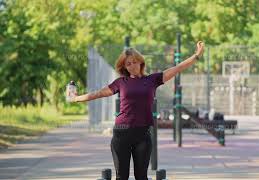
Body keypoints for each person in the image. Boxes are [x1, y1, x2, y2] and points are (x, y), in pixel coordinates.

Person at [70, 41, 205, 180]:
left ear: (140, 62)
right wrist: (76, 98)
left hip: (143, 135)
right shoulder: (121, 82)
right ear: (125, 67)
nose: (132, 66)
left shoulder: (153, 80)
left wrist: (196, 56)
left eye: (134, 62)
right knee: (121, 177)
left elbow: (178, 68)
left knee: (141, 177)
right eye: (128, 64)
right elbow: (98, 93)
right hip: (122, 134)